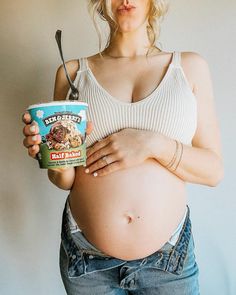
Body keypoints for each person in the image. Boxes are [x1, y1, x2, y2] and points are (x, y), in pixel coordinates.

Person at [22, 0, 224, 294]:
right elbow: (64, 180)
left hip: (168, 264)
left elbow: (213, 170)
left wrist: (153, 144)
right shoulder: (72, 72)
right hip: (87, 261)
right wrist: (51, 153)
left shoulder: (189, 68)